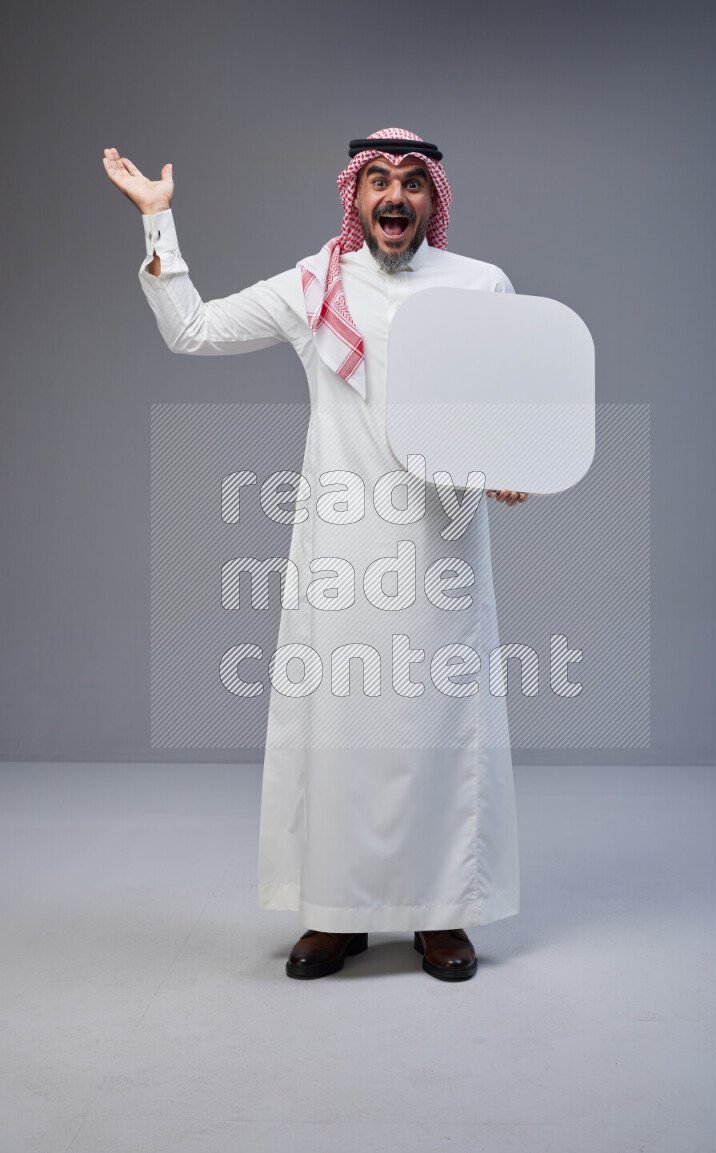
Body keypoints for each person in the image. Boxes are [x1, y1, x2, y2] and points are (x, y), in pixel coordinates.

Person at [103, 128, 527, 983]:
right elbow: (191, 329)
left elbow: (510, 399)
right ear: (355, 195)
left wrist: (512, 458)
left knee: (442, 730)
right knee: (341, 732)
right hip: (339, 551)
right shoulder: (312, 283)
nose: (395, 197)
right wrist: (158, 223)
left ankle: (442, 914)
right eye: (379, 181)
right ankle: (337, 916)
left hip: (442, 549)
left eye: (412, 182)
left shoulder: (480, 285)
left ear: (432, 198)